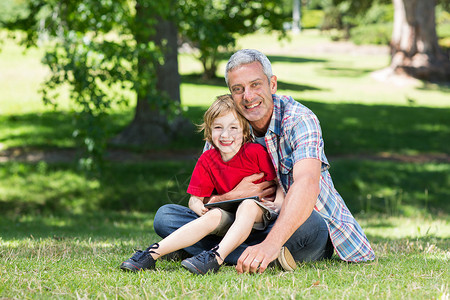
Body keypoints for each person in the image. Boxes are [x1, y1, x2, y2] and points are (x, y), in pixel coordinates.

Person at [153, 49, 376, 274]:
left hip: (297, 225)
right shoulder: (226, 126)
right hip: (240, 222)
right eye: (238, 89)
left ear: (272, 85)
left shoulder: (299, 119)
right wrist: (233, 196)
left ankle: (210, 250)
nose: (248, 96)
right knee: (166, 217)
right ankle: (248, 254)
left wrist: (271, 243)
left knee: (311, 222)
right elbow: (203, 199)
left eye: (255, 85)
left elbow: (307, 183)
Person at [120, 94, 295, 275]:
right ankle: (150, 255)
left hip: (260, 216)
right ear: (209, 131)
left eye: (233, 128)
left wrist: (279, 203)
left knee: (248, 205)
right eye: (218, 127)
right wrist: (201, 210)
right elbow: (194, 200)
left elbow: (279, 182)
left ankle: (215, 256)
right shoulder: (207, 159)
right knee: (194, 215)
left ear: (244, 132)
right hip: (228, 216)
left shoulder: (256, 152)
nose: (226, 135)